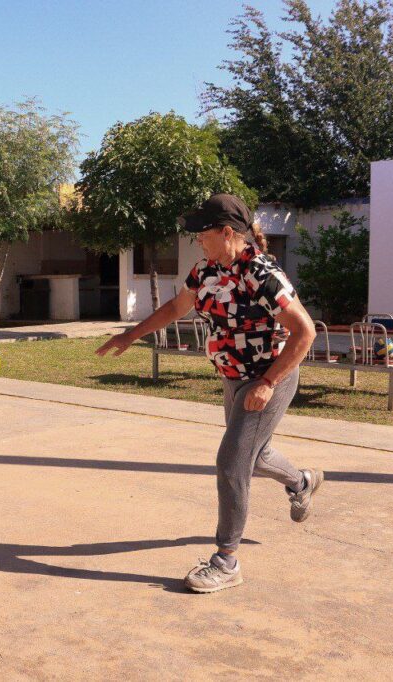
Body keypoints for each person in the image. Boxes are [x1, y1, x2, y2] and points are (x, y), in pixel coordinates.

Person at [95, 193, 323, 593]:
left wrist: (268, 383)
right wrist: (131, 334)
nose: (197, 239)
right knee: (256, 454)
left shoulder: (262, 274)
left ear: (227, 232)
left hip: (268, 377)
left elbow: (306, 332)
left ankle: (226, 560)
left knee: (231, 462)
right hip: (233, 377)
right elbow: (176, 307)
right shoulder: (206, 270)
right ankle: (301, 482)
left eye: (203, 232)